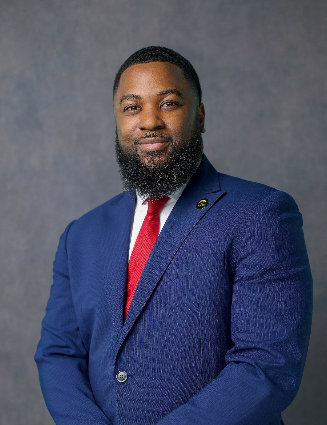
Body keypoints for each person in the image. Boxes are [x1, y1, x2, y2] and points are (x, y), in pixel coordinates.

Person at [35, 46, 312, 425]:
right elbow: (58, 353)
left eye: (168, 104)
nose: (149, 121)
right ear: (117, 122)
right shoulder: (80, 235)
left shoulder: (260, 213)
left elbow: (267, 366)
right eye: (132, 107)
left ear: (199, 116)